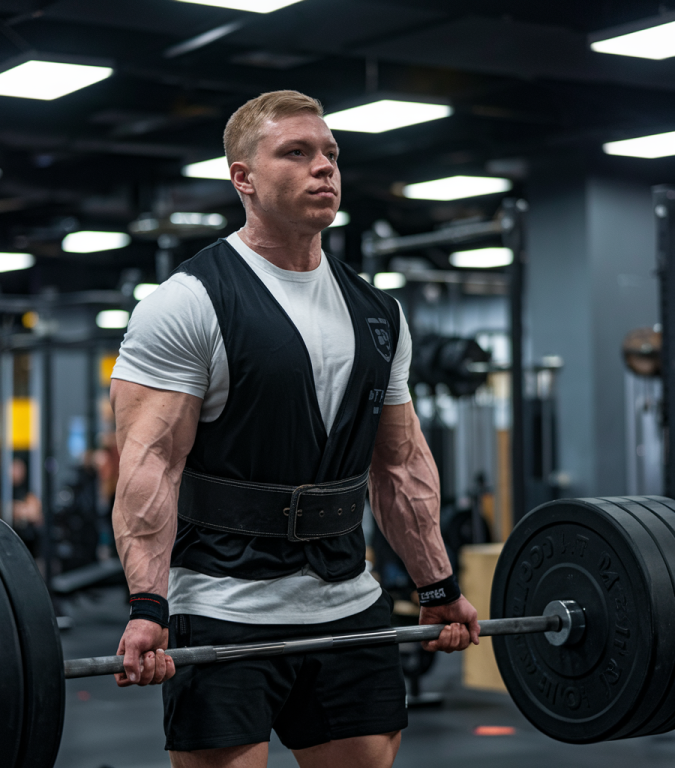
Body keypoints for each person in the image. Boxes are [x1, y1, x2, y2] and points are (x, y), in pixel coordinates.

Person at [110, 90, 480, 768]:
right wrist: (148, 604)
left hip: (347, 600)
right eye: (298, 152)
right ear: (242, 177)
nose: (325, 168)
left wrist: (438, 587)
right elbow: (150, 465)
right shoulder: (188, 303)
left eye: (332, 154)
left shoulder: (379, 311)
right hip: (223, 606)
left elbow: (398, 466)